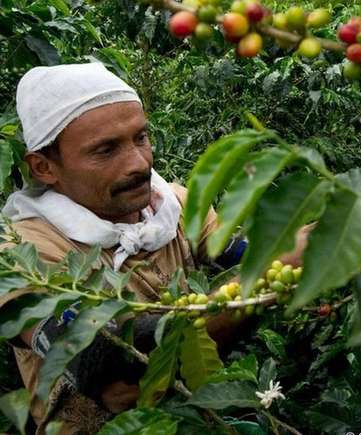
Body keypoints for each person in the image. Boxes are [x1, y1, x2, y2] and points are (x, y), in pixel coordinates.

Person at [0, 62, 310, 434]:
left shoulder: (173, 205)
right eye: (106, 150)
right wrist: (264, 276)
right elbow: (112, 374)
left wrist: (322, 249)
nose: (139, 162)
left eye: (141, 137)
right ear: (44, 167)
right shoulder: (18, 257)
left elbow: (244, 255)